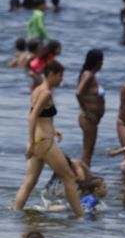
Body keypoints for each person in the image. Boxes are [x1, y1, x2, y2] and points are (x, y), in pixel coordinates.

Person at [14, 61, 84, 215]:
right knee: (69, 178)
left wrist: (53, 130)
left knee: (29, 182)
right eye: (60, 76)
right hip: (43, 143)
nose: (61, 80)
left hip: (40, 140)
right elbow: (32, 117)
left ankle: (15, 212)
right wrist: (32, 143)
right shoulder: (46, 93)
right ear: (52, 74)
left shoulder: (37, 89)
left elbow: (40, 118)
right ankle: (80, 216)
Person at [74, 49, 105, 167]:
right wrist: (87, 111)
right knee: (88, 151)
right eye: (101, 61)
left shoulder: (90, 75)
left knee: (89, 150)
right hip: (88, 118)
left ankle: (85, 174)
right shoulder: (88, 75)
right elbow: (78, 93)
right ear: (97, 62)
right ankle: (84, 176)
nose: (102, 64)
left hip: (92, 118)